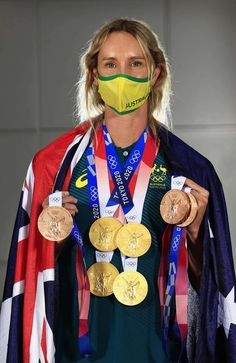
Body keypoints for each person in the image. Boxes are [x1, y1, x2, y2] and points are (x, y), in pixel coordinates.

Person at [0, 18, 235, 363]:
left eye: (135, 63)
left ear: (155, 73)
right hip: (77, 353)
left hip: (160, 353)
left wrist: (198, 233)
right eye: (110, 64)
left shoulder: (189, 169)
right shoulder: (52, 166)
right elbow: (31, 280)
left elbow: (214, 289)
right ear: (95, 74)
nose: (122, 75)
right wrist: (55, 240)